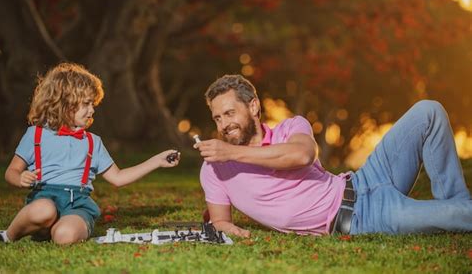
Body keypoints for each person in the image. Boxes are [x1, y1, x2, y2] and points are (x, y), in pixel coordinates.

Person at [194, 74, 472, 238]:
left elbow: (302, 155)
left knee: (429, 111)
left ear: (253, 106)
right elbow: (220, 221)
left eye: (229, 113)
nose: (223, 124)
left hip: (364, 179)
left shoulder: (292, 127)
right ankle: (458, 208)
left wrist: (232, 152)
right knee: (461, 214)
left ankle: (455, 199)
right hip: (363, 216)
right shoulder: (216, 168)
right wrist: (230, 230)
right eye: (217, 118)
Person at [0, 63, 180, 245]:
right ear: (63, 102)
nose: (92, 110)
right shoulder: (36, 135)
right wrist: (20, 178)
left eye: (92, 104)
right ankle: (8, 236)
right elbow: (11, 172)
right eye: (86, 104)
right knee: (44, 210)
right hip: (43, 199)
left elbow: (118, 178)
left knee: (65, 236)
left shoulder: (93, 142)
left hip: (78, 205)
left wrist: (157, 161)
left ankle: (57, 228)